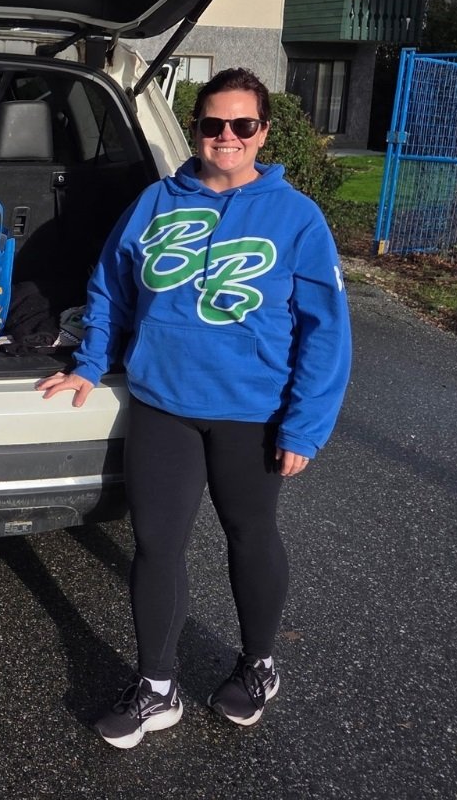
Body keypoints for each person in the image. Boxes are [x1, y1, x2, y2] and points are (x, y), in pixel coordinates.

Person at [37, 66, 352, 749]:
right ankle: (158, 686)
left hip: (252, 411)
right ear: (199, 130)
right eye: (214, 124)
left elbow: (326, 329)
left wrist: (306, 423)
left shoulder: (297, 217)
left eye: (243, 125)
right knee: (157, 545)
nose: (228, 137)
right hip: (163, 407)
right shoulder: (157, 202)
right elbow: (112, 287)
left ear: (264, 132)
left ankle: (258, 666)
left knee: (251, 535)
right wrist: (90, 365)